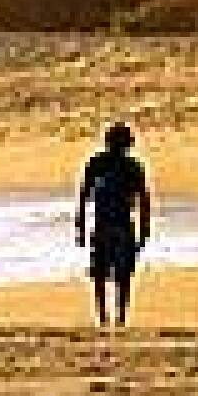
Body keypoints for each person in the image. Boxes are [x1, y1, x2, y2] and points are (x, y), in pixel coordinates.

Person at [76, 121, 151, 328]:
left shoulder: (125, 166)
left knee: (116, 274)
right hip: (112, 225)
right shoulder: (101, 164)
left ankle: (114, 318)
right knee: (110, 274)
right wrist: (80, 226)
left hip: (116, 225)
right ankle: (109, 317)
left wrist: (80, 226)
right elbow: (83, 196)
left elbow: (143, 199)